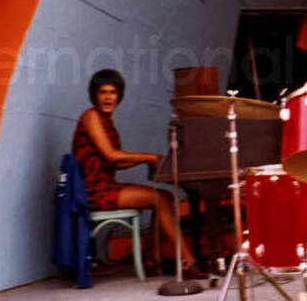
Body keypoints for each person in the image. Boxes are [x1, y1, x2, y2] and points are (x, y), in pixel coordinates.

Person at [73, 69, 210, 279]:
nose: (108, 97)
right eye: (103, 92)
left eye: (112, 92)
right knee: (160, 199)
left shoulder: (106, 121)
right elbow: (112, 156)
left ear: (119, 96)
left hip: (106, 186)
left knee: (165, 197)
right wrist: (149, 157)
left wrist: (146, 159)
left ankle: (153, 259)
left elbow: (115, 164)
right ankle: (189, 262)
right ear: (95, 95)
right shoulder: (91, 116)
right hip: (92, 191)